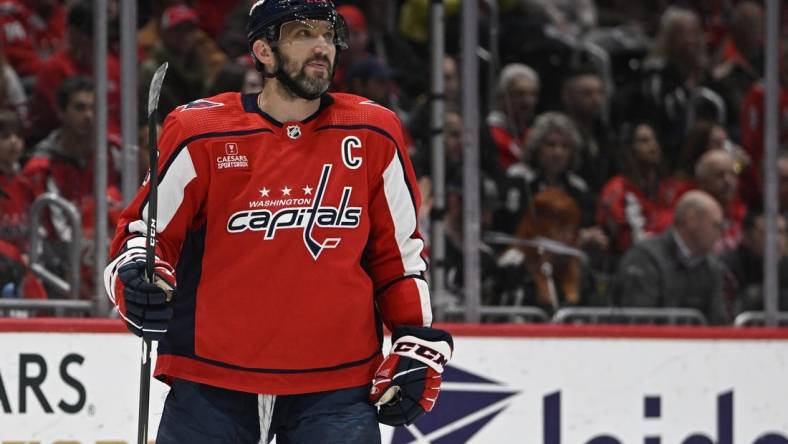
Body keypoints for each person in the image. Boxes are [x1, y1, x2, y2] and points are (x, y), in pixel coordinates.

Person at [103, 1, 453, 442]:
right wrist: (137, 278)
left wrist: (415, 344)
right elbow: (144, 236)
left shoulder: (373, 131)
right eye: (304, 34)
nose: (322, 47)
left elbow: (399, 258)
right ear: (264, 51)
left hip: (337, 387)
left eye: (328, 35)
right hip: (211, 383)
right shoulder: (200, 130)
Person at [613, 190, 729, 325]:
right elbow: (638, 322)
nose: (721, 233)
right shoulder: (645, 258)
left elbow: (719, 324)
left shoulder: (711, 266)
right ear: (692, 220)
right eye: (716, 225)